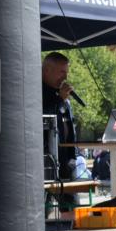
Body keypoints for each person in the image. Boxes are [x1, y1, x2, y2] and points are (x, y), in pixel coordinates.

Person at [41, 52, 78, 181]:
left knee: (71, 199)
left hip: (68, 159)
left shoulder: (61, 94)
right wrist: (60, 99)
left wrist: (73, 156)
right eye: (61, 72)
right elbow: (43, 117)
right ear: (46, 70)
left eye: (66, 72)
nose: (65, 77)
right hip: (48, 160)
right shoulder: (36, 91)